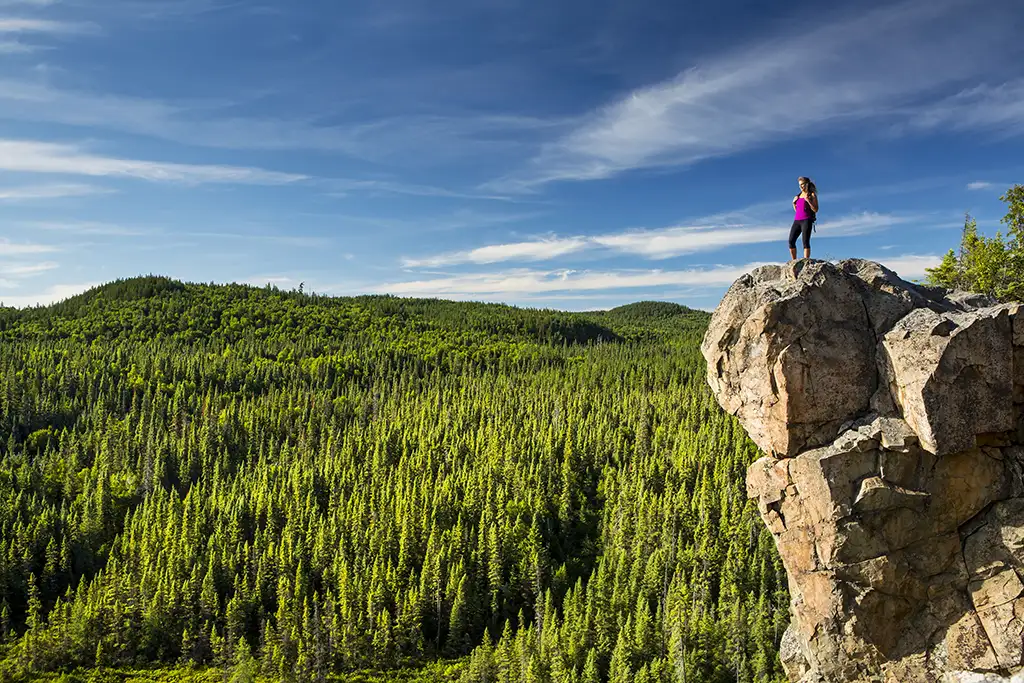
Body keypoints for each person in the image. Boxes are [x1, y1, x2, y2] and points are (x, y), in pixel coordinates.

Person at [789, 177, 818, 260]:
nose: (801, 186)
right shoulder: (798, 196)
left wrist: (808, 201)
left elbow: (816, 209)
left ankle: (806, 262)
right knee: (791, 241)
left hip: (807, 220)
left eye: (803, 184)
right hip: (797, 220)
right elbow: (797, 210)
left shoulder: (811, 195)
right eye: (800, 185)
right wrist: (793, 203)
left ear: (807, 184)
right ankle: (794, 262)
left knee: (805, 242)